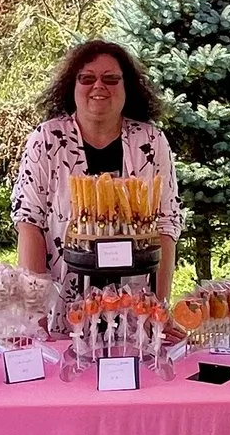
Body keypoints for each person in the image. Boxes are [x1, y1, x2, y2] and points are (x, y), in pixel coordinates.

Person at [12, 38, 180, 304]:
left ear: (128, 88)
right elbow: (30, 223)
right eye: (87, 78)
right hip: (63, 303)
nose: (98, 86)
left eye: (111, 79)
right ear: (72, 86)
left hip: (135, 306)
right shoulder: (47, 139)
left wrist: (159, 306)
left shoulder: (150, 141)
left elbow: (166, 225)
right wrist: (35, 310)